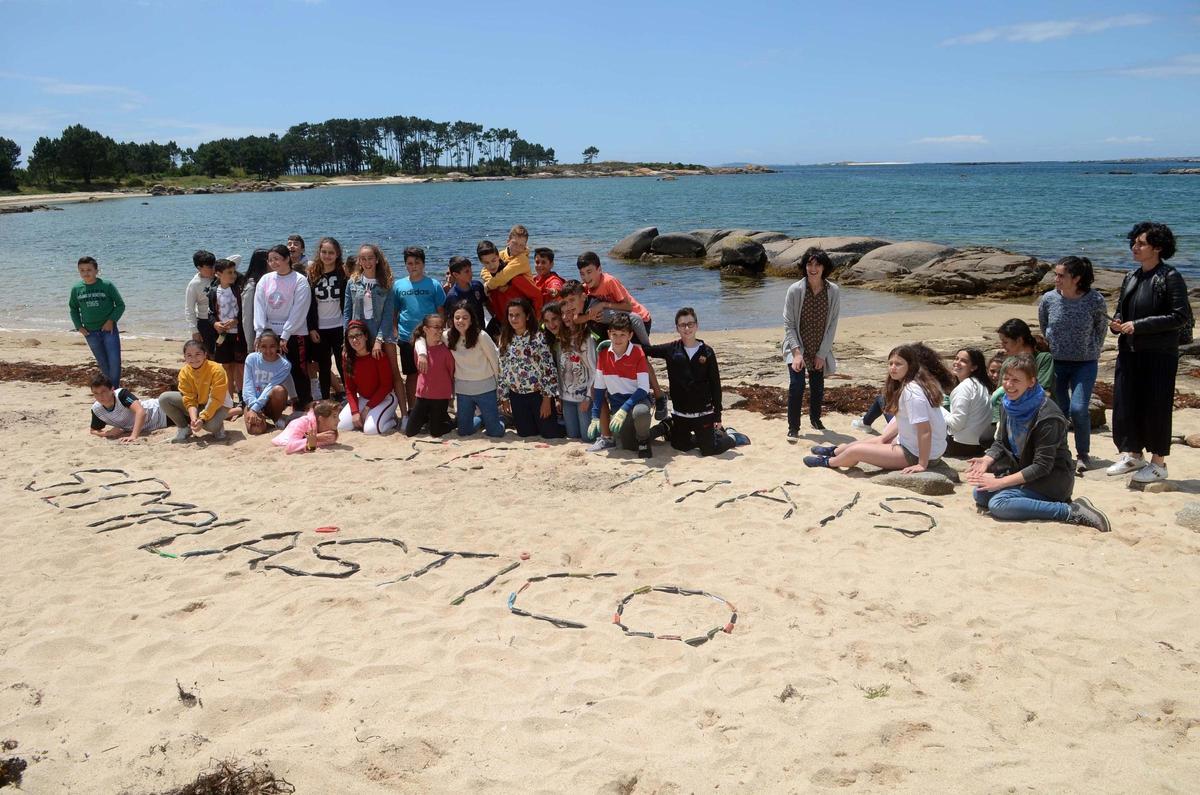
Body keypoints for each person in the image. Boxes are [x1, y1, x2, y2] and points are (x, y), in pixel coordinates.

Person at [966, 354, 1111, 531]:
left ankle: (1069, 510)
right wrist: (987, 460)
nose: (1008, 385)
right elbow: (1000, 442)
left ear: (1031, 382)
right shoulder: (1007, 404)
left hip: (1051, 480)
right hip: (1023, 471)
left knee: (998, 504)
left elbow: (1042, 466)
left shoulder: (1048, 416)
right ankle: (1022, 496)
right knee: (980, 494)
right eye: (1006, 378)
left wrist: (1000, 482)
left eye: (1016, 380)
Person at [1107, 221, 1191, 483]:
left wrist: (1139, 326)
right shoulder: (1131, 276)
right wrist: (1117, 323)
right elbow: (1123, 308)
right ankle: (1133, 454)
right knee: (1126, 404)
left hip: (1159, 354)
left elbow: (1180, 316)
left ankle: (1158, 463)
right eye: (1134, 242)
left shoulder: (1170, 276)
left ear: (1157, 247)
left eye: (1141, 243)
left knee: (1156, 406)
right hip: (1130, 352)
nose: (1135, 247)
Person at [804, 345, 945, 472]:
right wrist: (889, 437)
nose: (893, 368)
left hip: (916, 454)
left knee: (856, 451)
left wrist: (922, 464)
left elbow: (925, 430)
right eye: (890, 363)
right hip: (912, 445)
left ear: (911, 366)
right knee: (876, 441)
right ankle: (836, 451)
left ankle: (830, 462)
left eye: (898, 364)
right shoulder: (908, 384)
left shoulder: (912, 393)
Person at [575, 251, 667, 419]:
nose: (586, 277)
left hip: (638, 320)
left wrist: (602, 304)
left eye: (589, 272)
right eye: (582, 274)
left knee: (642, 357)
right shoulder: (586, 289)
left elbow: (628, 307)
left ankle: (660, 397)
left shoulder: (609, 281)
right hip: (616, 324)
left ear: (599, 269)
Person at [1038, 255, 1108, 470]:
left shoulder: (1095, 300)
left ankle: (1083, 454)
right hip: (1056, 363)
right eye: (1056, 274)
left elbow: (1101, 330)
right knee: (1059, 409)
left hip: (1085, 363)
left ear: (1076, 278)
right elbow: (1044, 326)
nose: (1056, 279)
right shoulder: (1048, 299)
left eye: (1061, 275)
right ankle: (1063, 453)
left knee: (1078, 409)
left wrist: (1091, 350)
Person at [645, 307, 743, 456]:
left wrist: (718, 415)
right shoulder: (671, 349)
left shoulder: (707, 352)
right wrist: (619, 342)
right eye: (682, 325)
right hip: (681, 414)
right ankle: (673, 425)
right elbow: (647, 350)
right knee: (680, 446)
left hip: (703, 413)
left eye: (690, 324)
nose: (687, 328)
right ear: (677, 328)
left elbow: (716, 385)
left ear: (697, 325)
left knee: (709, 450)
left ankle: (732, 436)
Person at [782, 247, 841, 436]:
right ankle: (793, 427)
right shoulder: (795, 290)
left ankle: (815, 419)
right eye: (809, 264)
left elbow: (832, 324)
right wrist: (797, 353)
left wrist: (822, 354)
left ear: (824, 268)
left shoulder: (833, 291)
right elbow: (789, 323)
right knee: (797, 384)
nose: (813, 268)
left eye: (817, 264)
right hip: (796, 345)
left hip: (819, 346)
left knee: (817, 386)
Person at [344, 243, 404, 418]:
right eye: (363, 258)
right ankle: (369, 406)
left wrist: (379, 340)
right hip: (359, 335)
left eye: (370, 258)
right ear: (359, 261)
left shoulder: (386, 283)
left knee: (394, 372)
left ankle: (405, 414)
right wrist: (345, 339)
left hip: (382, 334)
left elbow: (387, 315)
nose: (367, 262)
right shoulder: (353, 282)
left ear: (377, 260)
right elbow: (347, 313)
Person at [431, 301, 504, 437]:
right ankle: (482, 419)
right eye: (457, 317)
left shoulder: (481, 336)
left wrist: (499, 386)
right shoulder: (447, 336)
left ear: (471, 320)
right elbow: (422, 337)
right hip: (463, 391)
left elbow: (495, 360)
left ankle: (500, 419)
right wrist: (422, 353)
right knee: (463, 431)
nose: (460, 321)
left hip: (486, 388)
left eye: (465, 318)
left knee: (495, 432)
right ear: (452, 319)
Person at [254, 243, 312, 410]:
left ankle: (303, 404)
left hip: (294, 332)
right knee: (268, 369)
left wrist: (286, 334)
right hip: (269, 331)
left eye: (277, 259)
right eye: (271, 260)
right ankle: (267, 404)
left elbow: (299, 309)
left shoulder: (299, 280)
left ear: (287, 259)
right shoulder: (265, 279)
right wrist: (260, 331)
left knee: (298, 369)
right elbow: (259, 306)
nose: (273, 263)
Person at [589, 313, 653, 457]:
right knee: (629, 446)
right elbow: (599, 389)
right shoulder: (603, 354)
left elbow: (643, 388)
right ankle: (662, 428)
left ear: (630, 335)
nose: (618, 339)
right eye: (614, 334)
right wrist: (595, 416)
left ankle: (644, 442)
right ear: (608, 334)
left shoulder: (638, 353)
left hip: (637, 402)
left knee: (641, 413)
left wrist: (625, 409)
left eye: (622, 335)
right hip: (618, 407)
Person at [499, 296, 563, 439]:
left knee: (549, 433)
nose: (514, 319)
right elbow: (502, 370)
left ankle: (561, 417)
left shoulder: (538, 338)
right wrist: (504, 397)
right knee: (525, 434)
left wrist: (547, 399)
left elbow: (549, 370)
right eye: (511, 315)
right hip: (516, 396)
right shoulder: (505, 338)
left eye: (517, 315)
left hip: (538, 395)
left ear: (527, 316)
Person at [393, 246, 447, 412]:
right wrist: (395, 330)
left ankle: (433, 408)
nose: (413, 266)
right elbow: (395, 312)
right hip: (406, 337)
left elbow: (441, 311)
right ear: (405, 265)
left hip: (430, 338)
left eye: (417, 262)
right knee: (412, 375)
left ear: (423, 264)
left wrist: (439, 333)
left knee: (432, 373)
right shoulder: (398, 285)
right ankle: (413, 409)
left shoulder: (434, 284)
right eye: (410, 263)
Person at [160, 340, 232, 443]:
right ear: (184, 357)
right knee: (165, 398)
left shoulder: (217, 370)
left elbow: (216, 399)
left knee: (210, 426)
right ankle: (184, 428)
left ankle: (219, 426)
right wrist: (194, 420)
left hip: (219, 405)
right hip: (199, 403)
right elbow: (189, 399)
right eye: (189, 355)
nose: (193, 358)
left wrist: (202, 419)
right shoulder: (184, 372)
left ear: (205, 355)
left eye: (198, 354)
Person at [69, 256, 125, 386]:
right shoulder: (76, 289)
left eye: (89, 270)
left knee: (114, 360)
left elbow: (120, 305)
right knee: (102, 361)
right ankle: (109, 388)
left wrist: (111, 320)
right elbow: (73, 309)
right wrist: (79, 326)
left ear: (96, 271)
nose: (86, 273)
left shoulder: (106, 285)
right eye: (82, 270)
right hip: (90, 332)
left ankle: (115, 389)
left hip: (108, 330)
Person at [306, 237, 348, 401]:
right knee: (323, 366)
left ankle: (349, 397)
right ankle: (324, 399)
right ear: (319, 253)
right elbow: (308, 304)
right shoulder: (312, 274)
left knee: (343, 364)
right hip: (320, 329)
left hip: (339, 327)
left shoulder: (343, 274)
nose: (327, 255)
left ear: (337, 254)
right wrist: (311, 328)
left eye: (331, 252)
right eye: (324, 252)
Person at [338, 320, 398, 435]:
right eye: (351, 337)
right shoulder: (347, 358)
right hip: (363, 398)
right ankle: (377, 415)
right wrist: (355, 412)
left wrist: (367, 408)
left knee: (370, 430)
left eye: (358, 335)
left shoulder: (378, 355)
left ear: (365, 336)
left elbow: (386, 386)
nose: (355, 340)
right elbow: (349, 388)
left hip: (385, 399)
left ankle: (392, 421)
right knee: (342, 426)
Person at [556, 281, 599, 440]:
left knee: (587, 438)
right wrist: (559, 396)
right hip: (567, 398)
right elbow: (561, 371)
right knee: (572, 436)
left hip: (583, 397)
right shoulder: (561, 339)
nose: (566, 316)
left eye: (569, 312)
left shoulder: (587, 338)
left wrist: (588, 397)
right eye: (562, 313)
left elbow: (594, 369)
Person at [479, 235, 543, 335]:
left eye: (494, 260)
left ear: (498, 257)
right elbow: (491, 304)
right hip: (503, 325)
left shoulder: (514, 278)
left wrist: (536, 323)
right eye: (486, 263)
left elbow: (537, 296)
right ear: (481, 262)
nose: (491, 265)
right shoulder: (489, 281)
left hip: (523, 326)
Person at [406, 314, 455, 437]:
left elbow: (451, 372)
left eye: (441, 328)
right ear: (426, 329)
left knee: (436, 432)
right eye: (436, 327)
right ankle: (429, 416)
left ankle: (452, 422)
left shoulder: (446, 350)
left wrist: (450, 396)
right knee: (410, 432)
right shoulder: (419, 349)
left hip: (440, 396)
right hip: (422, 395)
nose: (440, 331)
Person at [943, 348, 995, 457]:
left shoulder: (964, 388)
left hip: (960, 446)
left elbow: (957, 424)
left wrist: (938, 408)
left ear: (974, 367)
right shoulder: (982, 385)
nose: (957, 362)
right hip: (978, 445)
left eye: (963, 361)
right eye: (956, 358)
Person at [209, 258, 247, 406]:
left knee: (240, 366)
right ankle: (229, 400)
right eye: (229, 273)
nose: (233, 275)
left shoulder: (238, 290)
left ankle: (243, 399)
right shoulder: (213, 292)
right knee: (226, 367)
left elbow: (245, 310)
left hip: (238, 334)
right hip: (222, 335)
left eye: (234, 272)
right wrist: (215, 324)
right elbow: (210, 313)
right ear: (218, 274)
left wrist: (237, 320)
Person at [87, 373, 170, 442]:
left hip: (162, 410)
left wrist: (133, 436)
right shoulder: (97, 409)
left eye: (103, 392)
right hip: (157, 425)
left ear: (112, 390)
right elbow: (93, 430)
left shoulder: (121, 395)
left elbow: (141, 412)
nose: (100, 396)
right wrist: (107, 433)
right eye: (96, 393)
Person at [242, 331, 294, 435]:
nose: (268, 350)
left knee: (279, 390)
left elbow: (270, 387)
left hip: (271, 402)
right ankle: (264, 422)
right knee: (255, 430)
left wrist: (255, 408)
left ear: (278, 346)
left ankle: (276, 418)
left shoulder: (285, 365)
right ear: (258, 346)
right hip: (253, 401)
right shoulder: (251, 359)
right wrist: (253, 407)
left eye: (272, 346)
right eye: (264, 346)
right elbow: (248, 385)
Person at [273, 400, 339, 454]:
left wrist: (314, 440)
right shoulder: (302, 422)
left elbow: (312, 447)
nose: (339, 420)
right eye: (334, 416)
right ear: (321, 418)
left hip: (306, 425)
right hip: (292, 422)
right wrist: (315, 438)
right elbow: (290, 447)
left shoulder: (329, 431)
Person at [442, 255, 489, 328]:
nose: (471, 273)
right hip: (463, 334)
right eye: (467, 271)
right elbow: (448, 319)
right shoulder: (452, 296)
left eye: (470, 270)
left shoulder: (477, 286)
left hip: (480, 331)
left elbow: (487, 304)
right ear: (456, 274)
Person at [185, 250, 218, 353]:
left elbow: (237, 258)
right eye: (209, 267)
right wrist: (194, 331)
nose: (213, 269)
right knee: (208, 353)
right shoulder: (194, 284)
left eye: (214, 265)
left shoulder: (219, 276)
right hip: (205, 323)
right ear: (199, 268)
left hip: (220, 320)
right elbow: (189, 309)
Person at [240, 248, 271, 346]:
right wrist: (250, 345)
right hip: (258, 339)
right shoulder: (251, 286)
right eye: (270, 260)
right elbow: (247, 318)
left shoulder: (266, 281)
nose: (273, 263)